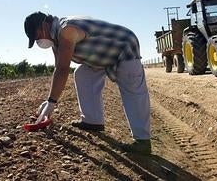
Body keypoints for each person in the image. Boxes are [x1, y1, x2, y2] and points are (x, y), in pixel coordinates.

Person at [24, 11, 152, 154]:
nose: (39, 41)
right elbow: (58, 69)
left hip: (124, 46)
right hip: (102, 55)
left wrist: (51, 102)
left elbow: (63, 69)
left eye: (37, 36)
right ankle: (92, 121)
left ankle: (143, 141)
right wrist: (49, 100)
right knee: (82, 74)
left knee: (132, 89)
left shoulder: (66, 30)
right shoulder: (56, 42)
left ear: (45, 24)